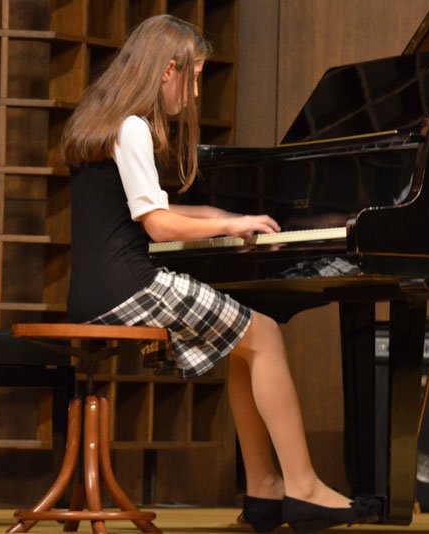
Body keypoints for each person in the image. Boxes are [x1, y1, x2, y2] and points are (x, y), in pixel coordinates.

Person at [60, 14, 379, 534]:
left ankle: (264, 491)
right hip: (131, 287)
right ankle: (303, 488)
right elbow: (159, 225)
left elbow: (150, 208)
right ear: (167, 70)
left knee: (241, 342)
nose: (194, 93)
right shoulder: (134, 127)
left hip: (94, 291)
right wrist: (226, 226)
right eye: (193, 77)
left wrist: (223, 217)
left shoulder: (101, 122)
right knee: (265, 334)